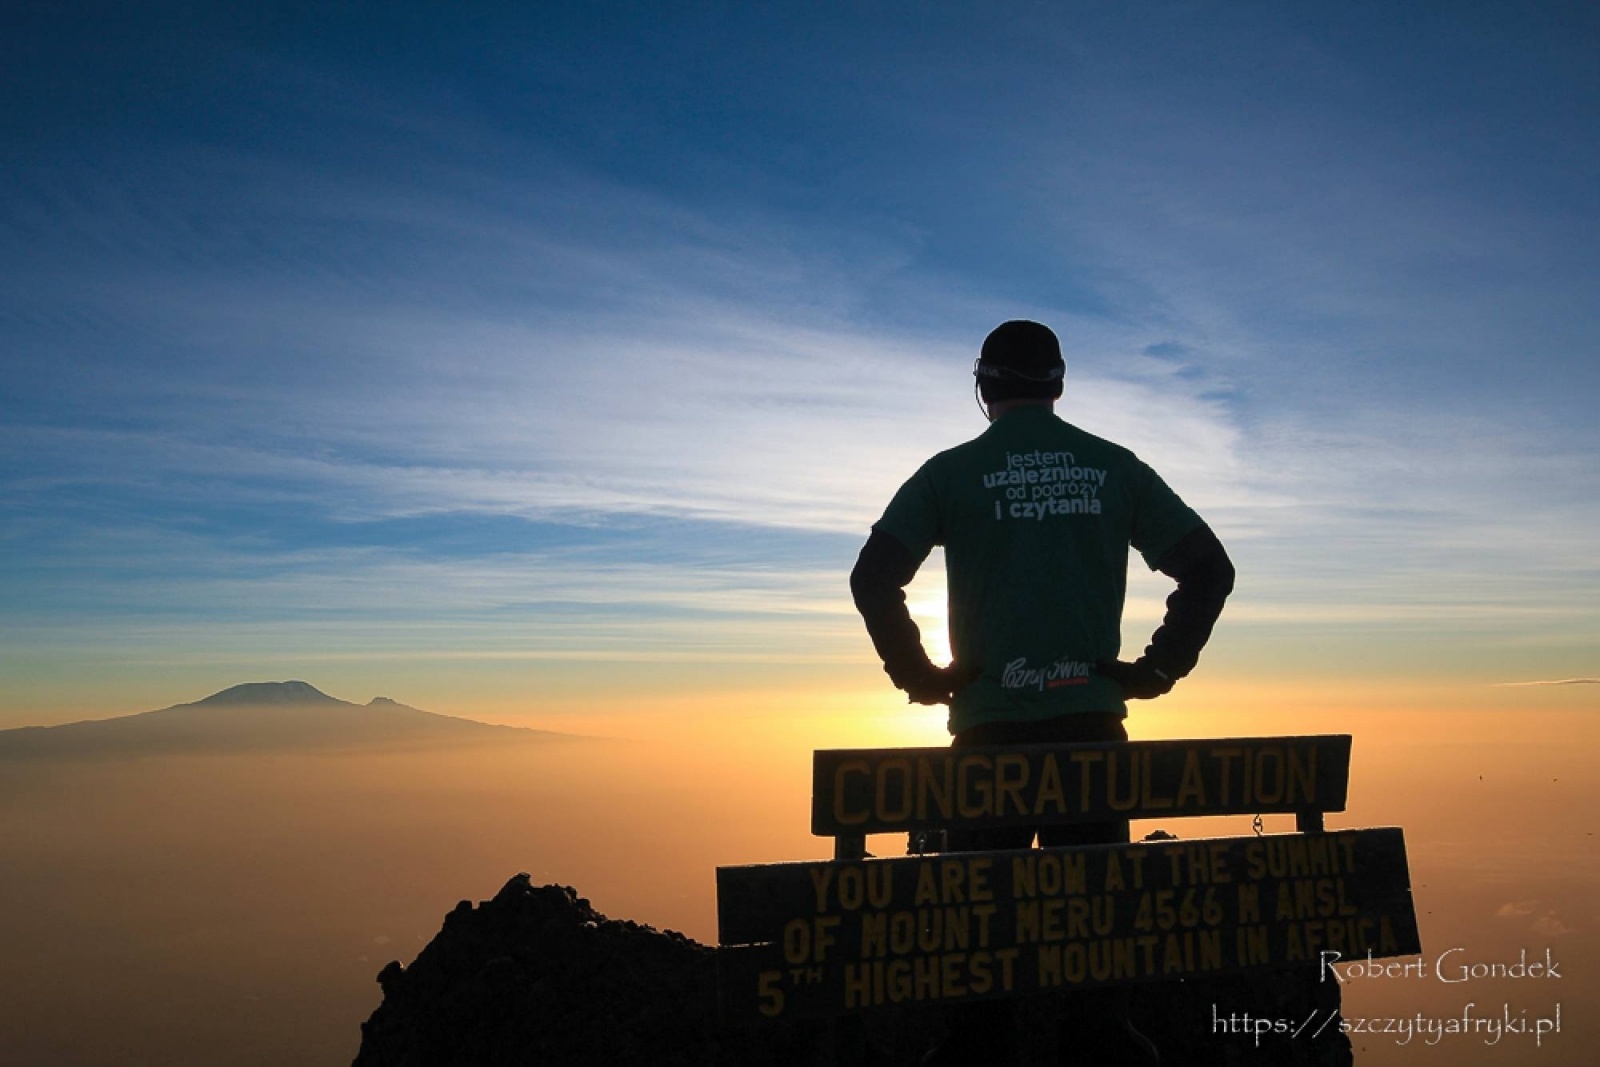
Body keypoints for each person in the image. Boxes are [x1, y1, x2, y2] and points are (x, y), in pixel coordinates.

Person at [850, 320, 1235, 1065]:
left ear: (983, 386)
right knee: (1094, 910)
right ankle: (1100, 1035)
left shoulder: (949, 473)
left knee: (977, 916)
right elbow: (1208, 569)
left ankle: (978, 1043)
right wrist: (1157, 669)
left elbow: (874, 578)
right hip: (1090, 733)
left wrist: (922, 678)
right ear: (1057, 385)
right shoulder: (1113, 468)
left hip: (989, 737)